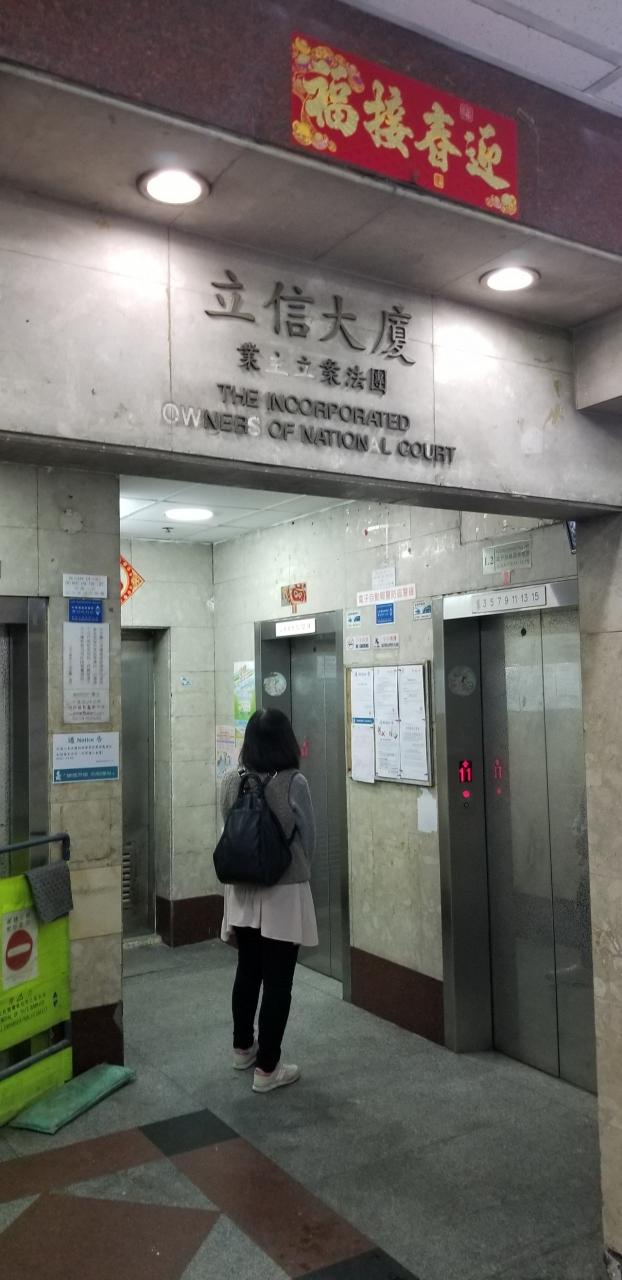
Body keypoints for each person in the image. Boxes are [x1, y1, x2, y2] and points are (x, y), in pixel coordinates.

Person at [220, 707, 317, 1093]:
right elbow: (308, 838)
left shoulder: (233, 779)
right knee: (278, 981)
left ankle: (242, 1048)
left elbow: (229, 826)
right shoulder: (294, 782)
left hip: (242, 889)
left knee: (247, 970)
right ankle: (268, 1068)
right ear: (285, 741)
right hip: (284, 892)